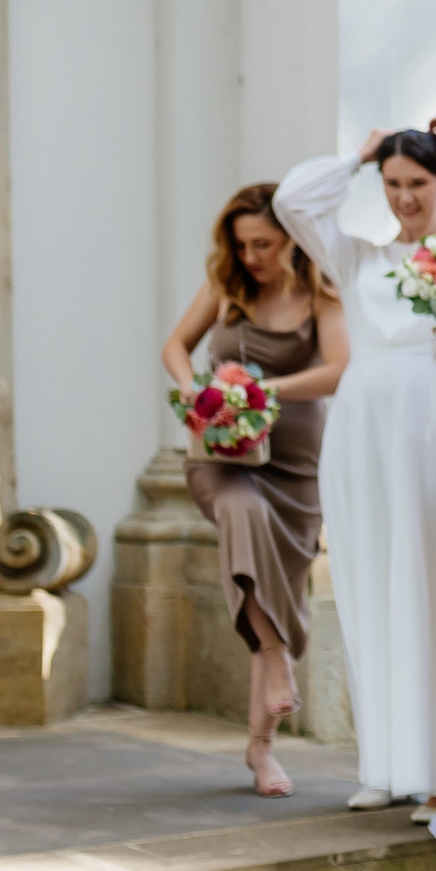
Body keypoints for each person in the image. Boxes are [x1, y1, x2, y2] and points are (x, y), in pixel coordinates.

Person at [274, 120, 436, 817]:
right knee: (369, 586)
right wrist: (358, 156)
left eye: (418, 182)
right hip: (361, 434)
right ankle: (384, 764)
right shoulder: (354, 257)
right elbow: (293, 201)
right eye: (392, 183)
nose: (405, 197)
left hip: (433, 429)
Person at [160, 183, 348, 798]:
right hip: (223, 458)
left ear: (292, 239)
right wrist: (193, 388)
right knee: (241, 512)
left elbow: (338, 370)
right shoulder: (227, 285)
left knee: (279, 590)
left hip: (294, 467)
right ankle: (274, 654)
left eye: (263, 244)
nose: (250, 257)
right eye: (242, 245)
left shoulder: (320, 291)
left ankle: (260, 748)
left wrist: (260, 390)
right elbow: (175, 347)